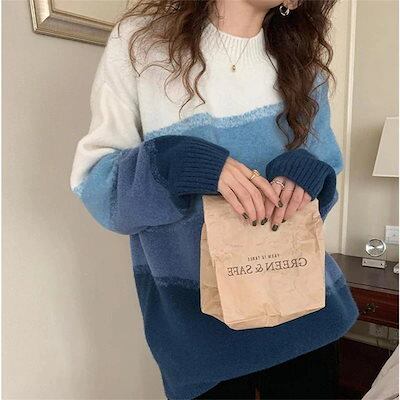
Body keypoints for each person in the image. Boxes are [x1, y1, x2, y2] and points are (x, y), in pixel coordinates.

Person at [69, 0, 359, 398]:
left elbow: (323, 175)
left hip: (307, 319)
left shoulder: (302, 64)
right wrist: (177, 164)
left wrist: (305, 174)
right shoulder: (142, 42)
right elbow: (100, 190)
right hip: (202, 340)